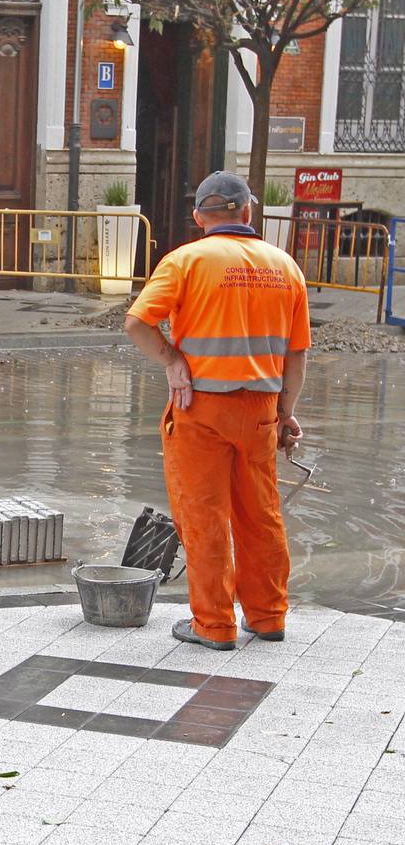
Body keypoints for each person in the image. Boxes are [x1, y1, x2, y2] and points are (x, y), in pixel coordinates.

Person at [124, 171, 310, 650]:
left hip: (200, 409)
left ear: (197, 217)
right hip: (262, 410)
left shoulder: (186, 260)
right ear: (248, 212)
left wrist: (173, 362)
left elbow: (137, 324)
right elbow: (296, 353)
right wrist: (284, 412)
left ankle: (214, 625)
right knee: (260, 514)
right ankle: (268, 617)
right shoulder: (285, 266)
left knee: (204, 517)